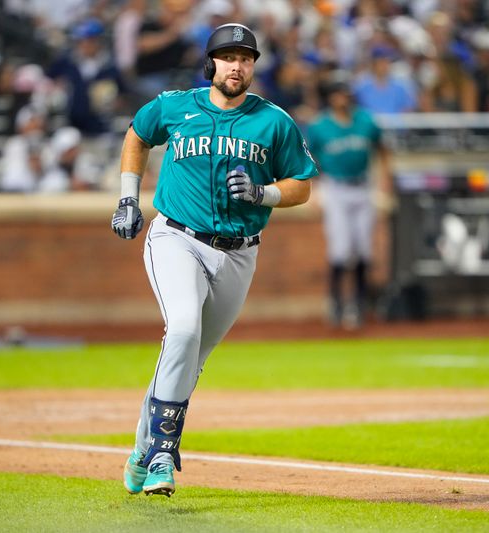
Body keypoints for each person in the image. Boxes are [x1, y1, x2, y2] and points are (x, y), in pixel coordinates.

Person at [110, 23, 317, 497]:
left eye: (245, 58)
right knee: (182, 330)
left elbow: (301, 184)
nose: (237, 65)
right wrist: (128, 197)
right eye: (228, 57)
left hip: (240, 254)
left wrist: (265, 193)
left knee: (190, 358)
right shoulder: (176, 106)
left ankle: (143, 452)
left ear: (254, 66)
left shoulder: (274, 121)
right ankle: (164, 450)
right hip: (176, 237)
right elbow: (137, 136)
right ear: (211, 63)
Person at [305, 72, 391, 329]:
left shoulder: (365, 120)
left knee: (364, 249)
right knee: (340, 250)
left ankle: (359, 304)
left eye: (345, 93)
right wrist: (314, 189)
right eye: (338, 93)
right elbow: (308, 160)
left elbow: (383, 149)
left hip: (363, 185)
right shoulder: (320, 125)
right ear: (330, 97)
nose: (343, 98)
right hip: (335, 188)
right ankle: (336, 303)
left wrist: (386, 180)